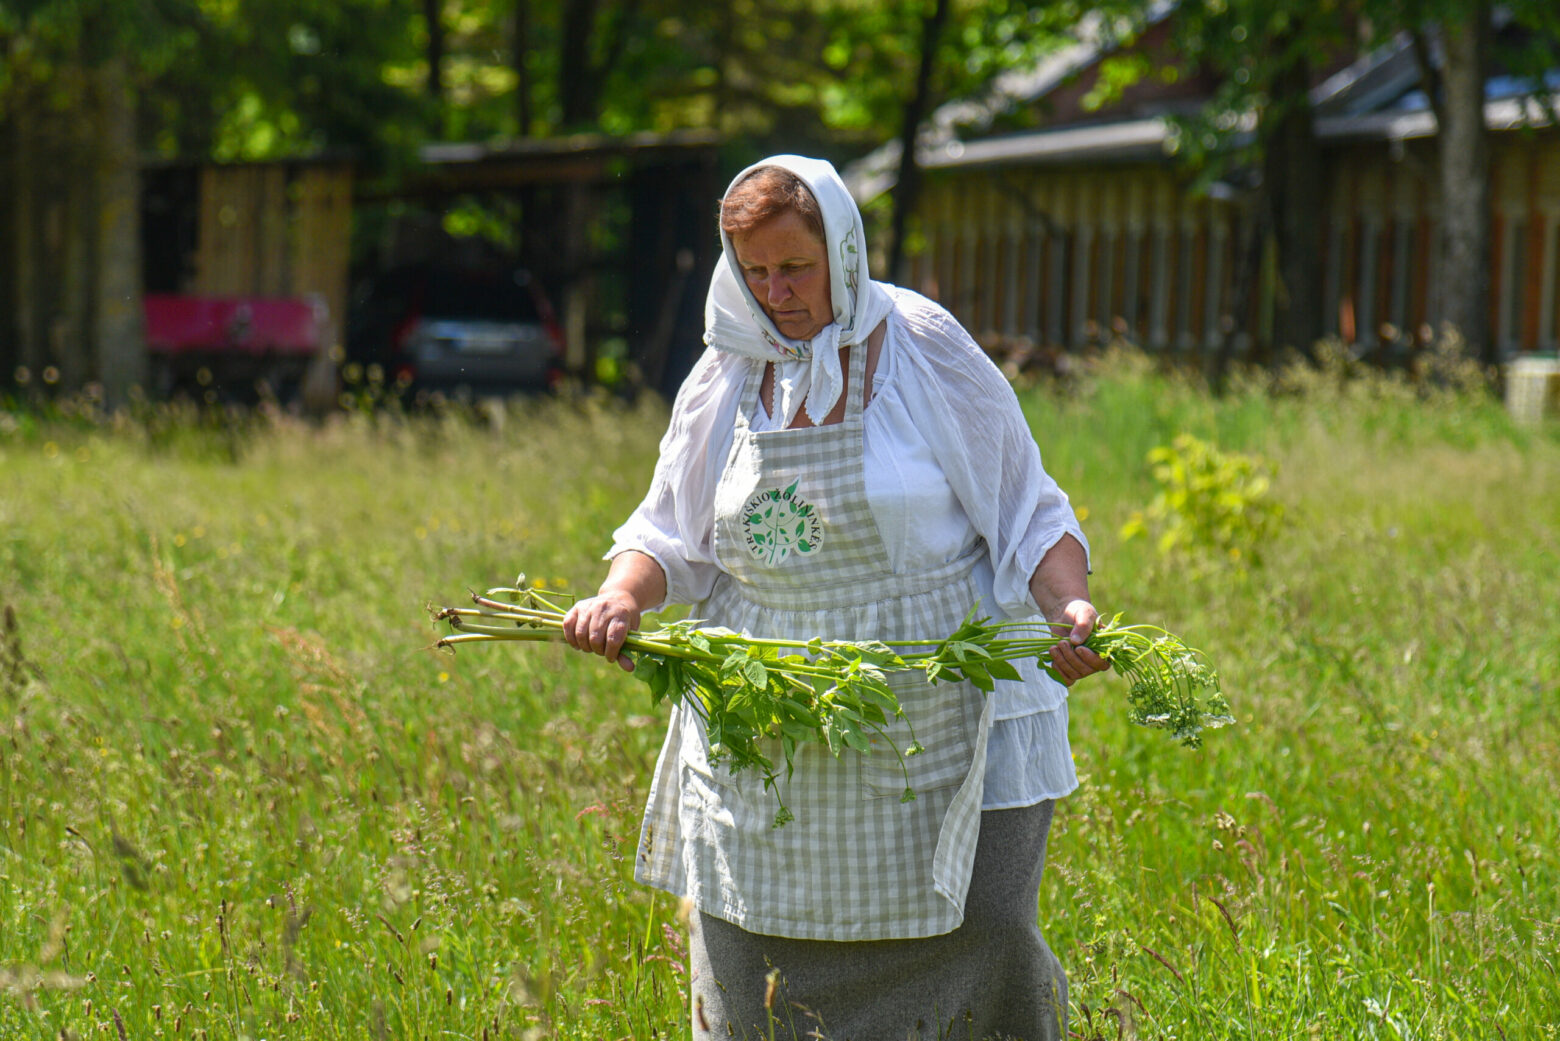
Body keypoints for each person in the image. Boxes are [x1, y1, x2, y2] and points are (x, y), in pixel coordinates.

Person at [563, 154, 1107, 1041]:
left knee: (988, 930)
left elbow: (1026, 509)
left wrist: (1066, 608)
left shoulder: (921, 345)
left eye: (797, 267)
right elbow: (668, 531)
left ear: (845, 252)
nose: (777, 291)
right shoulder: (728, 373)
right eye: (757, 271)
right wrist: (621, 596)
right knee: (754, 951)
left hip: (940, 692)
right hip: (771, 710)